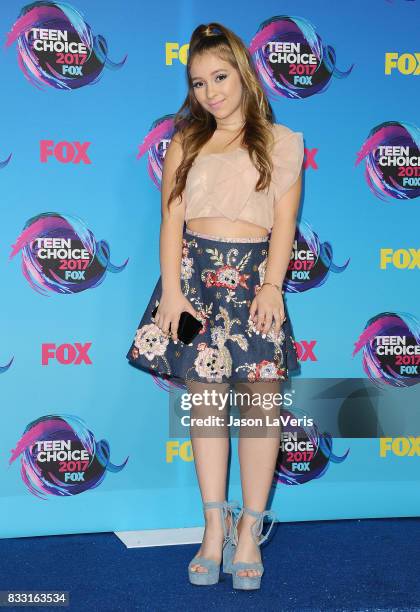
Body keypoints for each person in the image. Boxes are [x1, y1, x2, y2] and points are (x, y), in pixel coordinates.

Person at [126, 22, 304, 590]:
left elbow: (284, 224)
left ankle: (249, 528)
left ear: (244, 73)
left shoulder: (283, 142)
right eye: (199, 83)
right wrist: (172, 294)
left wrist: (273, 286)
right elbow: (171, 220)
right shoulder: (186, 139)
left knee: (259, 409)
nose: (210, 92)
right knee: (206, 409)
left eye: (220, 76)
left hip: (254, 283)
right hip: (195, 282)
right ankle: (212, 526)